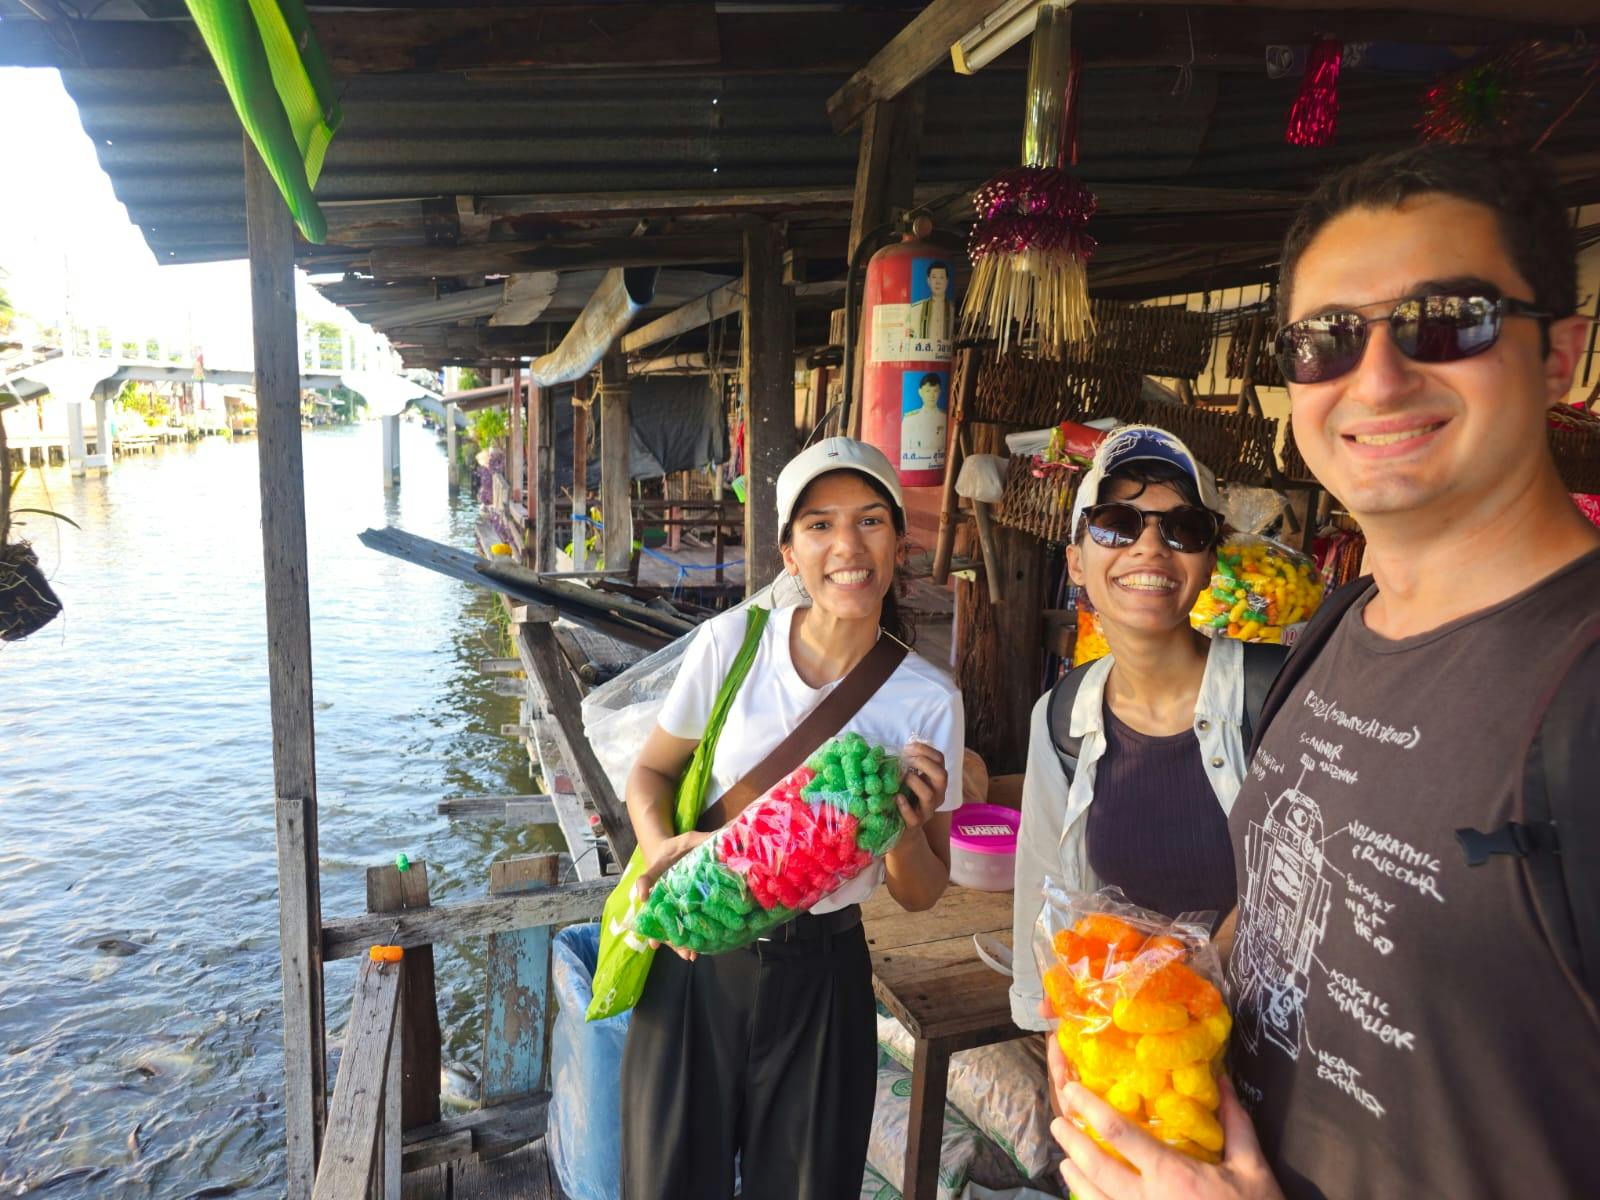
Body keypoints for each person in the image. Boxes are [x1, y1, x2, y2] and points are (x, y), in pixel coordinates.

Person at [1046, 144, 1600, 1200]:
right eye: (1327, 340)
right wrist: (1134, 1008)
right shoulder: (1336, 630)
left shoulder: (1581, 691)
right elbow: (1278, 913)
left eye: (1450, 318)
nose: (1379, 377)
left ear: (1561, 352)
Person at [619, 437, 965, 1200]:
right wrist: (662, 851)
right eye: (819, 525)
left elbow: (921, 894)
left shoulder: (927, 698)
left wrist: (904, 826)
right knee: (667, 1183)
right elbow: (650, 771)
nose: (848, 546)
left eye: (871, 521)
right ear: (788, 551)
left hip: (824, 974)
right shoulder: (733, 644)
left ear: (899, 542)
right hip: (696, 961)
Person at [1011, 425, 1285, 1033]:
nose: (1151, 547)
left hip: (1279, 1048)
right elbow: (1045, 884)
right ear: (1077, 562)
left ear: (1210, 562)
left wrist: (1197, 974)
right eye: (1117, 524)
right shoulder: (1063, 715)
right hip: (1133, 1056)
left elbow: (1311, 875)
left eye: (1182, 529)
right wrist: (1058, 1036)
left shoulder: (1279, 696)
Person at [900, 372, 948, 472]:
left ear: (940, 392)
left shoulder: (944, 418)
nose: (931, 395)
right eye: (927, 391)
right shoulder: (910, 419)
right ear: (920, 392)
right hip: (913, 467)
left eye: (935, 391)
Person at [905, 260, 953, 345]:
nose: (937, 282)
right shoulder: (916, 309)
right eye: (934, 277)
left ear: (947, 281)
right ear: (928, 280)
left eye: (941, 277)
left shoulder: (952, 309)